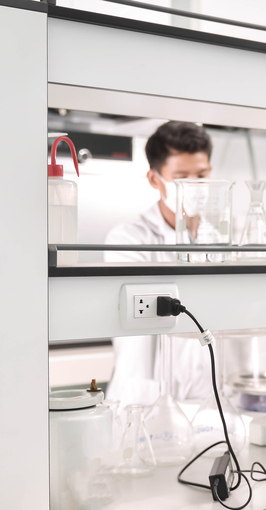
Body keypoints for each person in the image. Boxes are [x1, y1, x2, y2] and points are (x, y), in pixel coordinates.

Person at [104, 121, 214, 408]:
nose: (194, 186)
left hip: (205, 396)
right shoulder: (128, 241)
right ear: (155, 179)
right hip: (144, 400)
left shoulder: (217, 237)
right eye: (181, 177)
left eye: (201, 175)